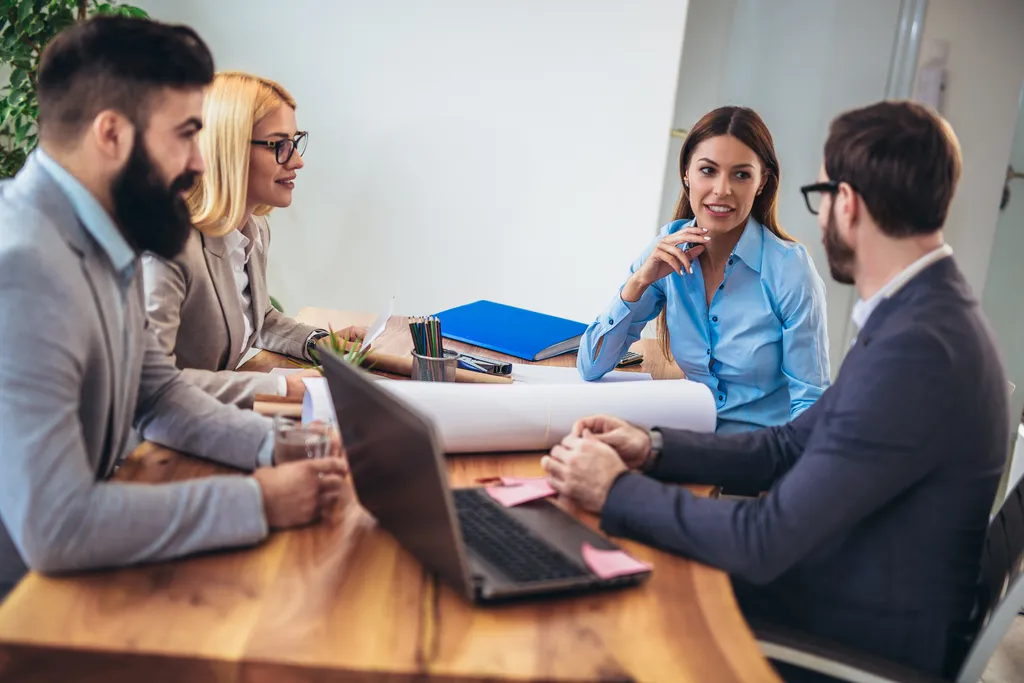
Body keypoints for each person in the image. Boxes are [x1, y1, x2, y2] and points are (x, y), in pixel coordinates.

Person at [544, 101, 1008, 679]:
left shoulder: (917, 348)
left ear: (848, 203)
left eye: (823, 195)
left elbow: (764, 539)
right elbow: (788, 445)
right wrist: (653, 448)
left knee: (622, 597)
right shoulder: (923, 316)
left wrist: (614, 491)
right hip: (849, 582)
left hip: (857, 632)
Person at [0, 17, 346, 599]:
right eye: (186, 135)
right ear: (111, 133)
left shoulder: (98, 234)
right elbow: (56, 525)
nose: (203, 162)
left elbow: (155, 391)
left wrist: (273, 445)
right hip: (29, 602)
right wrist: (260, 499)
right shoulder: (24, 267)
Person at [578, 106, 830, 433]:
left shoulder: (789, 270)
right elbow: (591, 366)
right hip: (689, 441)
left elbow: (810, 403)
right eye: (708, 170)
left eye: (741, 174)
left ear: (762, 182)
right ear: (686, 174)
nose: (722, 189)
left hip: (760, 456)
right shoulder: (667, 247)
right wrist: (639, 281)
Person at [141, 71, 365, 409]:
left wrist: (320, 344)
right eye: (279, 145)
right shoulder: (166, 247)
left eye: (295, 140)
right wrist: (278, 386)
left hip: (214, 419)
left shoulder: (254, 228)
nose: (298, 161)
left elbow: (258, 319)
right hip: (151, 446)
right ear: (226, 149)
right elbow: (151, 382)